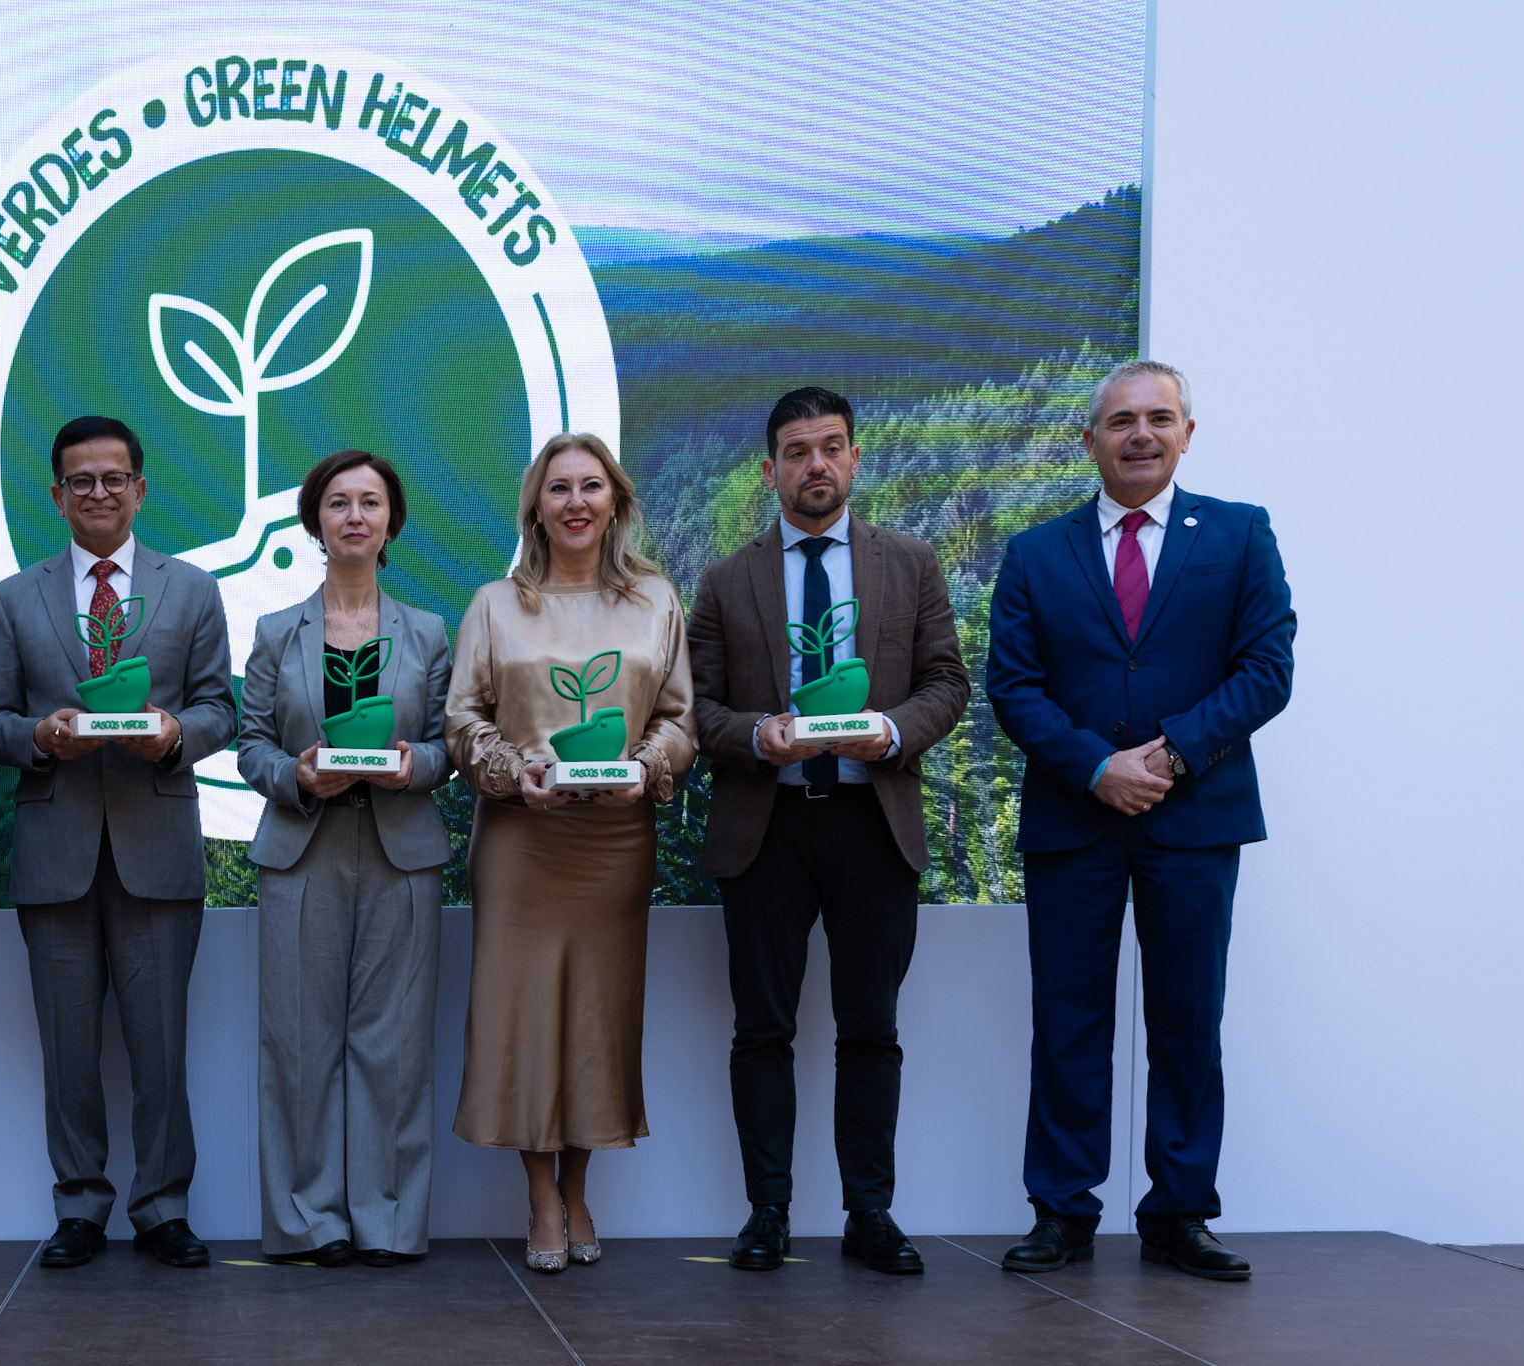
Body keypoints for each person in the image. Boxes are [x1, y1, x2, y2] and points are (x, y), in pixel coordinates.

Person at [986, 359, 1294, 1281]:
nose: (1141, 434)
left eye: (1160, 418)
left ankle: (1180, 1213)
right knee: (1068, 1021)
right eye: (1121, 421)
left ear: (1188, 434)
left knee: (1188, 1023)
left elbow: (1267, 667)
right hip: (1074, 821)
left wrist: (1167, 755)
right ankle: (1062, 1211)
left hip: (1194, 819)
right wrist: (1094, 767)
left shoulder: (1240, 536)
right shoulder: (1035, 552)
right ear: (1090, 441)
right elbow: (1013, 686)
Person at [686, 386, 969, 1276]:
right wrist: (754, 737)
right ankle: (767, 1213)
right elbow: (697, 710)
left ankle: (870, 1214)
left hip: (870, 823)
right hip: (766, 828)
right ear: (770, 470)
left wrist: (888, 732)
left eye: (832, 447)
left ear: (854, 458)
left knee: (870, 1029)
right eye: (798, 451)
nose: (817, 465)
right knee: (761, 1030)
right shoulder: (727, 581)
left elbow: (946, 684)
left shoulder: (911, 565)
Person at [0, 414, 235, 1271]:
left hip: (157, 845)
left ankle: (163, 1208)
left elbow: (219, 710)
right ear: (55, 495)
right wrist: (40, 738)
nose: (97, 493)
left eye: (113, 478)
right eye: (79, 481)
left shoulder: (191, 589)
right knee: (68, 1050)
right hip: (57, 851)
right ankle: (80, 1206)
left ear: (140, 489)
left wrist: (172, 735)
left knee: (161, 1050)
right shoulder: (16, 598)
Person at [445, 432, 695, 1274]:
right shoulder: (493, 603)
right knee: (521, 1018)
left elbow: (680, 720)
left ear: (616, 502)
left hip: (614, 839)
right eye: (559, 488)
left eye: (593, 486)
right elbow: (462, 720)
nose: (577, 501)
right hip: (522, 837)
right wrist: (517, 775)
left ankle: (578, 1184)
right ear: (537, 507)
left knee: (598, 1015)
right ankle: (539, 1193)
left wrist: (646, 768)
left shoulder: (657, 600)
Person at [236, 449, 455, 1268]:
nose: (354, 516)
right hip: (303, 849)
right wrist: (291, 774)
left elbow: (447, 749)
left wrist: (415, 766)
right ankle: (308, 1222)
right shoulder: (273, 632)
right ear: (315, 522)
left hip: (401, 852)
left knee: (392, 1046)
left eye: (369, 502)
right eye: (338, 503)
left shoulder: (429, 632)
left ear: (391, 520)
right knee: (297, 1043)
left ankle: (388, 1221)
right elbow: (250, 745)